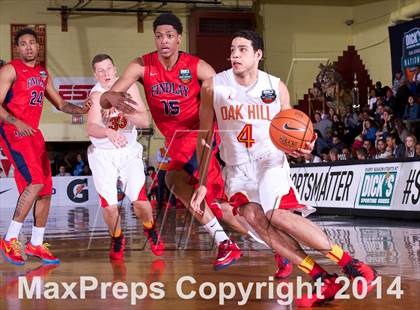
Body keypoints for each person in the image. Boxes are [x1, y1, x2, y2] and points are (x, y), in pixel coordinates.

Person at [191, 30, 377, 306]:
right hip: (236, 170)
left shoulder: (275, 87)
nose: (234, 55)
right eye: (232, 49)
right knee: (255, 220)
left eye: (242, 49)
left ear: (258, 55)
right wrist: (204, 181)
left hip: (270, 160)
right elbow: (205, 136)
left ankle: (352, 264)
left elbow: (293, 126)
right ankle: (322, 279)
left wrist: (302, 146)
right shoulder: (213, 87)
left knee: (276, 214)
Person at [99, 13, 289, 275]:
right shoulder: (142, 65)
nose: (163, 40)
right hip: (174, 141)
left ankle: (246, 245)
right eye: (158, 36)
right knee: (219, 206)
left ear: (178, 39)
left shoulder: (197, 67)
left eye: (169, 35)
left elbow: (225, 91)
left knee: (193, 192)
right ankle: (264, 246)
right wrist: (110, 96)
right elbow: (105, 101)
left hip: (199, 136)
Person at [0, 28, 90, 265]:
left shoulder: (42, 74)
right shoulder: (9, 70)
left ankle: (36, 244)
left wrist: (83, 108)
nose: (28, 47)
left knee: (45, 190)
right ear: (17, 48)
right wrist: (15, 121)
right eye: (23, 43)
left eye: (32, 43)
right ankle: (9, 239)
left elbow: (60, 104)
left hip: (33, 133)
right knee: (35, 182)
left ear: (38, 47)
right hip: (12, 131)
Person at [87, 54, 164, 260]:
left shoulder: (129, 87)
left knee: (139, 201)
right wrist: (108, 132)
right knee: (110, 207)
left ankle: (150, 228)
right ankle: (118, 237)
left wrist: (122, 107)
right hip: (103, 154)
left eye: (108, 69)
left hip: (128, 152)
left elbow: (144, 121)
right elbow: (91, 127)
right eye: (100, 71)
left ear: (115, 69)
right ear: (95, 74)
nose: (106, 74)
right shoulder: (95, 96)